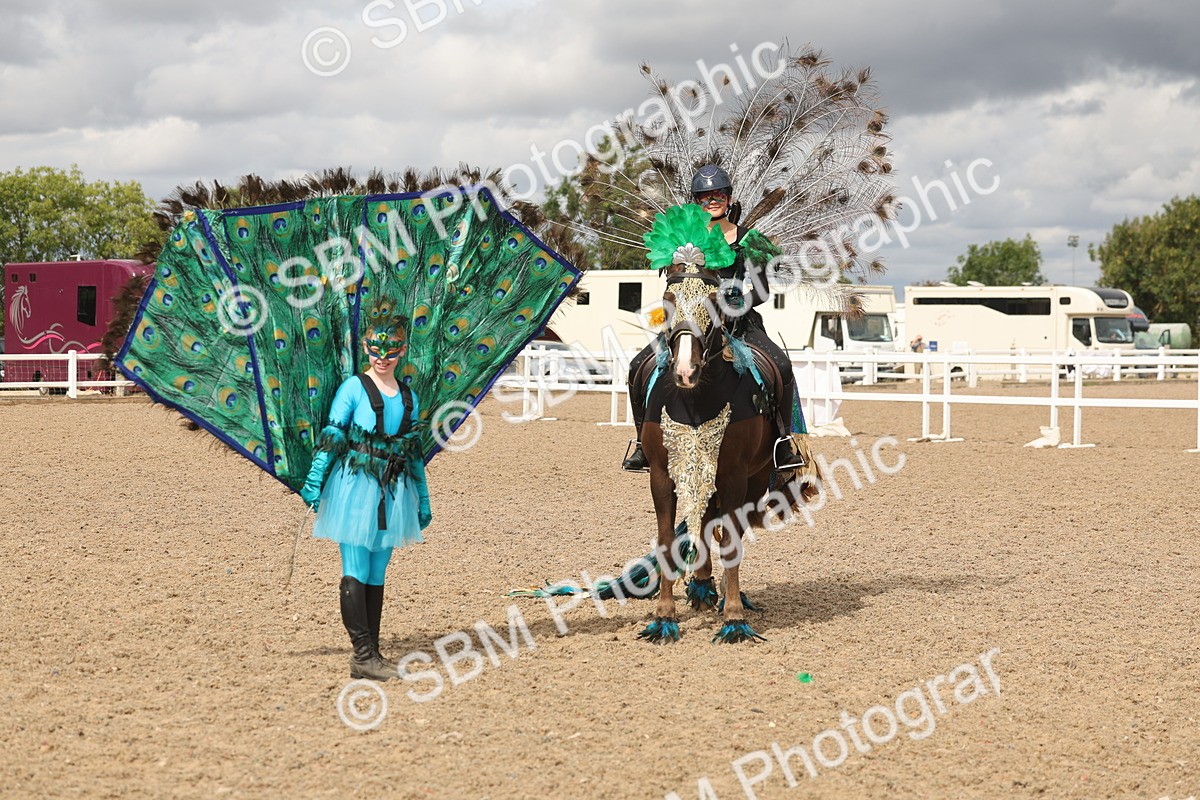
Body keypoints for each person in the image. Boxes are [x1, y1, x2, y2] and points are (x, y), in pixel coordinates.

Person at [622, 164, 802, 472]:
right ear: (695, 201)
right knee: (638, 365)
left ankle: (783, 443)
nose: (712, 200)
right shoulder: (681, 240)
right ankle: (641, 443)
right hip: (688, 320)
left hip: (739, 323)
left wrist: (731, 307)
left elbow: (760, 290)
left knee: (782, 366)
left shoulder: (749, 239)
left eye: (718, 194)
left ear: (730, 199)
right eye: (704, 196)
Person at [300, 310, 431, 682]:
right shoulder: (353, 388)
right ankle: (361, 654)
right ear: (365, 347)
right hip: (355, 488)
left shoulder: (409, 396)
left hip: (394, 490)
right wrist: (315, 477)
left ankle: (372, 651)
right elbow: (334, 433)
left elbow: (414, 450)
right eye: (375, 348)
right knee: (355, 567)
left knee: (377, 571)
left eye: (390, 349)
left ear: (403, 349)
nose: (382, 356)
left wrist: (422, 497)